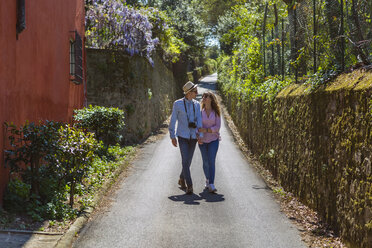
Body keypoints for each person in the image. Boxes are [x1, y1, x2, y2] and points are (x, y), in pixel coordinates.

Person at [169, 81, 203, 194]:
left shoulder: (197, 104)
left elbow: (199, 121)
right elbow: (173, 120)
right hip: (182, 136)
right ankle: (190, 185)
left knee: (188, 161)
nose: (197, 93)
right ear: (189, 93)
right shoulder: (177, 104)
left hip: (193, 137)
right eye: (195, 91)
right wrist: (172, 136)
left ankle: (181, 178)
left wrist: (200, 136)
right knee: (185, 160)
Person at [198, 92, 221, 193]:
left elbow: (217, 127)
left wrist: (206, 130)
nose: (203, 98)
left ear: (211, 99)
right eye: (203, 97)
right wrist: (198, 136)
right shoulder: (199, 112)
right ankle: (207, 179)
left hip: (213, 140)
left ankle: (211, 183)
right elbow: (196, 126)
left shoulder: (216, 112)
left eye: (206, 96)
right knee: (205, 162)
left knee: (211, 161)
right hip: (202, 140)